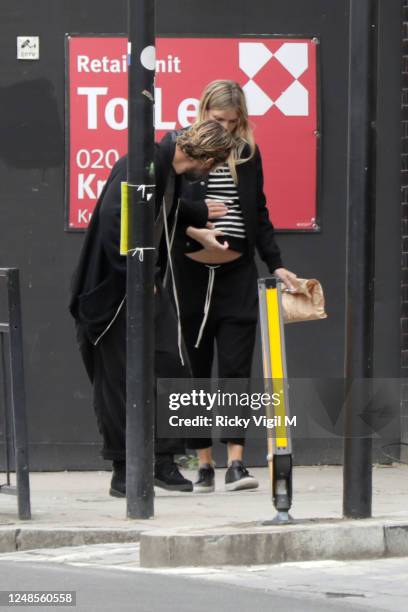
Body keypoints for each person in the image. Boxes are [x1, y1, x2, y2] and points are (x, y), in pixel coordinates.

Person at [69, 120, 234, 497]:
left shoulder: (165, 172)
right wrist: (138, 276)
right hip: (112, 293)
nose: (211, 173)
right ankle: (124, 469)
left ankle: (161, 460)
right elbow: (116, 224)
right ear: (204, 158)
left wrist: (196, 220)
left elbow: (163, 209)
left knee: (170, 365)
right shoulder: (141, 168)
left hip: (144, 288)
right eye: (215, 164)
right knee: (117, 380)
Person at [172, 81, 299, 493]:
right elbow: (168, 207)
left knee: (235, 367)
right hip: (191, 272)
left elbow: (258, 209)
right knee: (192, 367)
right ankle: (203, 464)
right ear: (203, 110)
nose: (225, 127)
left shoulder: (247, 152)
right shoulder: (182, 148)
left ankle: (237, 463)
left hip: (236, 271)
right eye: (217, 119)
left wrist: (276, 264)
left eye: (231, 120)